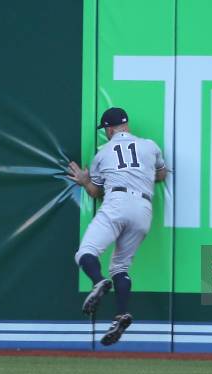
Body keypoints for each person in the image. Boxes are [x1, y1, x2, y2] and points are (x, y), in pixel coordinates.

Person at [68, 107, 167, 346]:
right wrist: (139, 174)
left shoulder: (103, 153)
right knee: (120, 268)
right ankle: (120, 315)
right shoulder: (150, 146)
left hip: (116, 202)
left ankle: (97, 281)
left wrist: (83, 181)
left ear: (110, 129)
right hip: (143, 208)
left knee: (86, 252)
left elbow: (95, 192)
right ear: (127, 125)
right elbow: (162, 174)